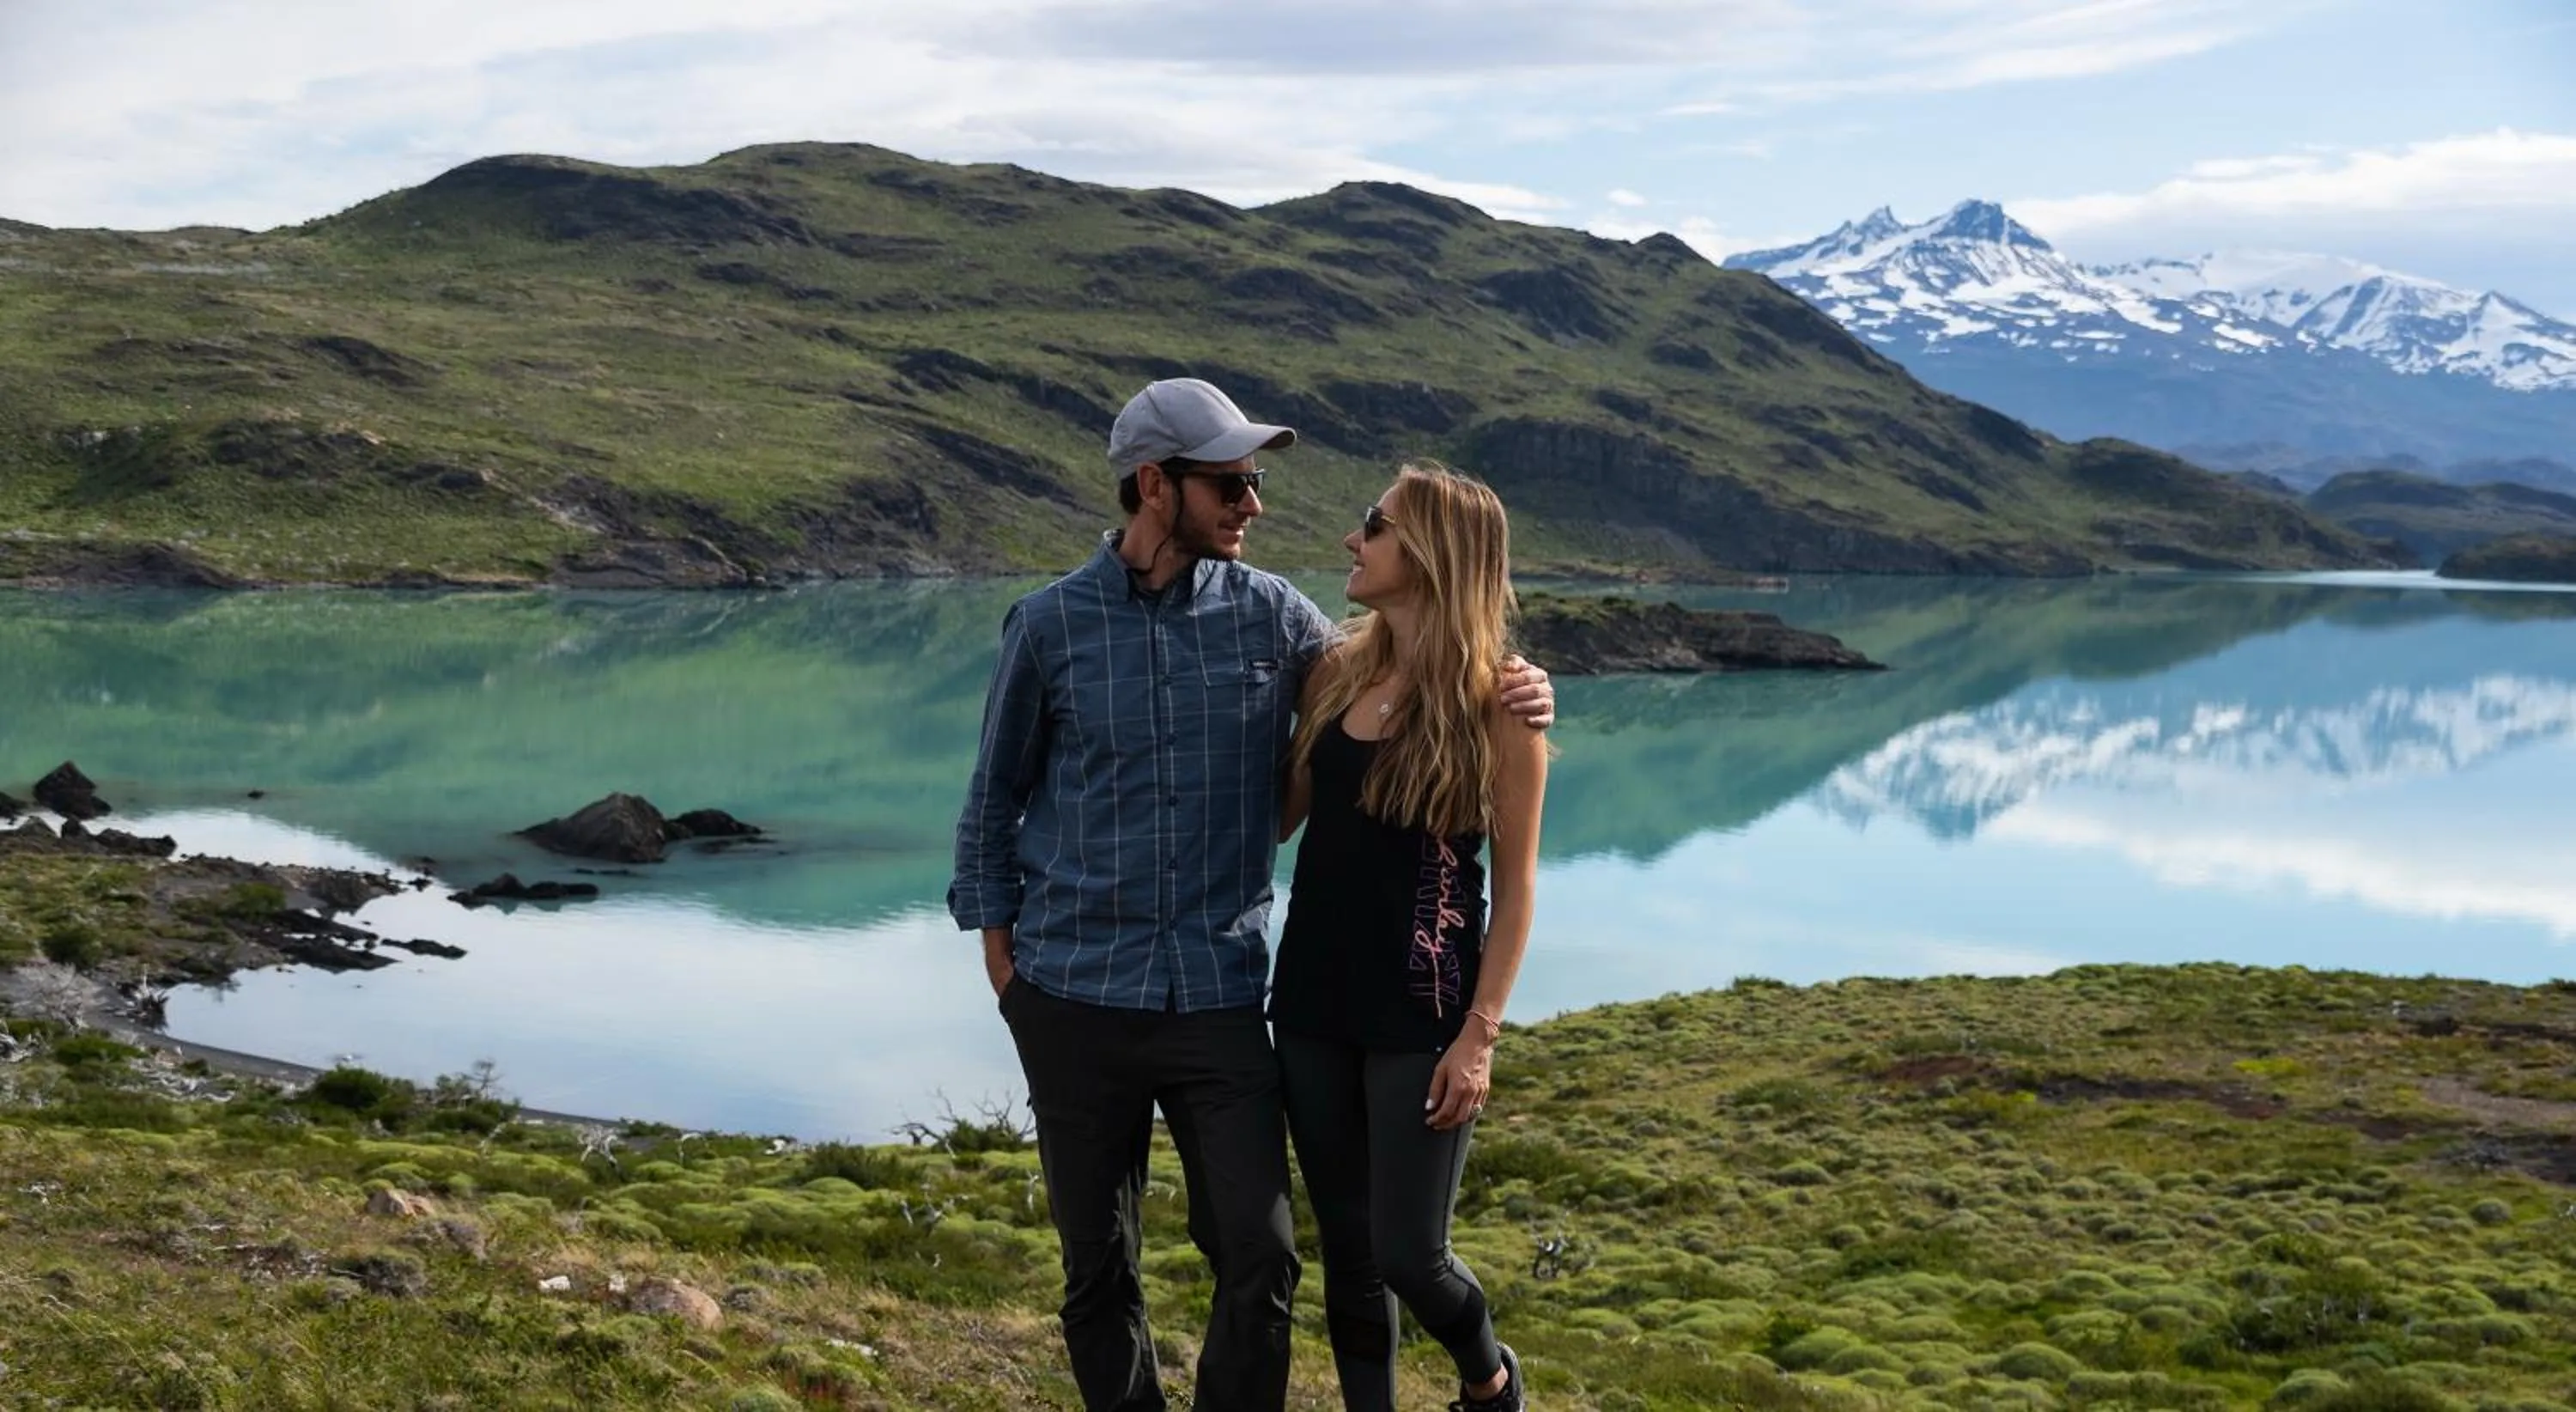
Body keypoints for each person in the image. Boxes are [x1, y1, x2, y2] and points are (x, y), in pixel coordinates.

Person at [948, 380, 1552, 1412]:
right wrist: (1007, 970)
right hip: (1073, 996)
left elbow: (1415, 663)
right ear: (1155, 484)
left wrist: (1524, 685)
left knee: (1263, 1256)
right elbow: (989, 806)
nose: (1254, 504)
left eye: (1255, 480)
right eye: (1230, 483)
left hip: (1222, 1000)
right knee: (1099, 1269)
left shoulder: (1279, 620)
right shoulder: (1047, 626)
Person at [1270, 463, 1547, 1412]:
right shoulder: (1338, 668)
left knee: (1410, 1256)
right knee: (1345, 1254)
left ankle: (1491, 1379)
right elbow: (1280, 822)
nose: (1354, 540)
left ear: (1430, 553)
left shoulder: (1501, 709)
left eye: (1373, 525)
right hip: (1308, 1001)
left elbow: (1513, 896)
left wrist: (1481, 1036)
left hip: (1422, 1014)